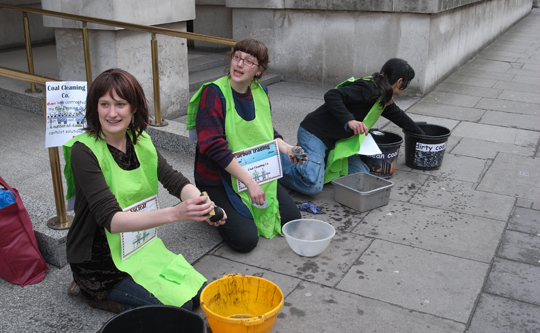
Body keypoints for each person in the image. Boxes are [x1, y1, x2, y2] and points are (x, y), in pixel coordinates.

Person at [63, 68, 226, 313]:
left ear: (134, 107)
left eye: (120, 104)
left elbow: (175, 180)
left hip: (138, 245)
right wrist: (176, 213)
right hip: (98, 261)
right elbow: (111, 220)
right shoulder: (83, 151)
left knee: (198, 296)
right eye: (104, 104)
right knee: (178, 309)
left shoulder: (140, 140)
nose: (112, 113)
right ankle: (90, 292)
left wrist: (204, 205)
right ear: (94, 107)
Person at [186, 38, 302, 253]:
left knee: (292, 220)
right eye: (236, 57)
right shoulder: (214, 93)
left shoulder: (261, 93)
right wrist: (250, 182)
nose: (239, 64)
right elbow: (213, 146)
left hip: (254, 173)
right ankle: (206, 205)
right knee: (245, 241)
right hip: (218, 179)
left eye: (248, 61)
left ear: (258, 71)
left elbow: (267, 132)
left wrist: (287, 149)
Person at [279, 58, 426, 195]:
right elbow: (332, 95)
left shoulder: (383, 97)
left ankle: (316, 163)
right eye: (407, 83)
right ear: (400, 82)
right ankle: (276, 162)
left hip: (334, 144)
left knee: (361, 175)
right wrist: (349, 120)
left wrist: (423, 136)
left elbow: (400, 117)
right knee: (312, 185)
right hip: (314, 134)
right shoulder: (368, 87)